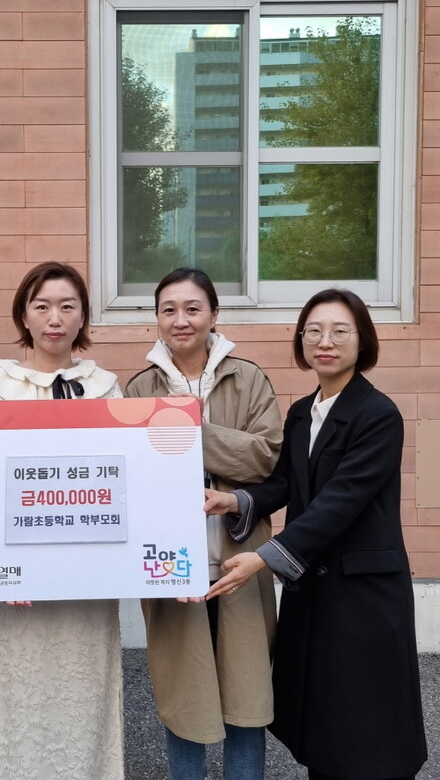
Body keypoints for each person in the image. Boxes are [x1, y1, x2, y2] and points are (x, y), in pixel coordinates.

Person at [204, 288, 428, 780]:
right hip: (316, 586)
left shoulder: (378, 414)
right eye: (314, 332)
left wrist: (264, 557)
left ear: (362, 340)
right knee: (326, 715)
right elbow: (285, 483)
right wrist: (235, 501)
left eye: (340, 332)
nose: (325, 342)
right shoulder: (304, 411)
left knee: (369, 718)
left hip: (363, 589)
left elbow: (339, 502)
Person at [125, 268, 283, 780]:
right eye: (168, 309)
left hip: (241, 557)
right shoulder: (139, 386)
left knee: (246, 697)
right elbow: (133, 470)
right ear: (156, 317)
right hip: (170, 563)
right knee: (184, 695)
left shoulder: (248, 377)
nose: (181, 320)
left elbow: (265, 457)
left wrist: (184, 426)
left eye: (193, 308)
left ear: (214, 314)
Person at [0, 261, 125, 780]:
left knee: (84, 688)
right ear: (24, 315)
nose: (54, 318)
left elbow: (123, 481)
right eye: (42, 306)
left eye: (67, 306)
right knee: (18, 689)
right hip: (16, 577)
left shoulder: (106, 388)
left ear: (83, 317)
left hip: (89, 574)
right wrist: (2, 569)